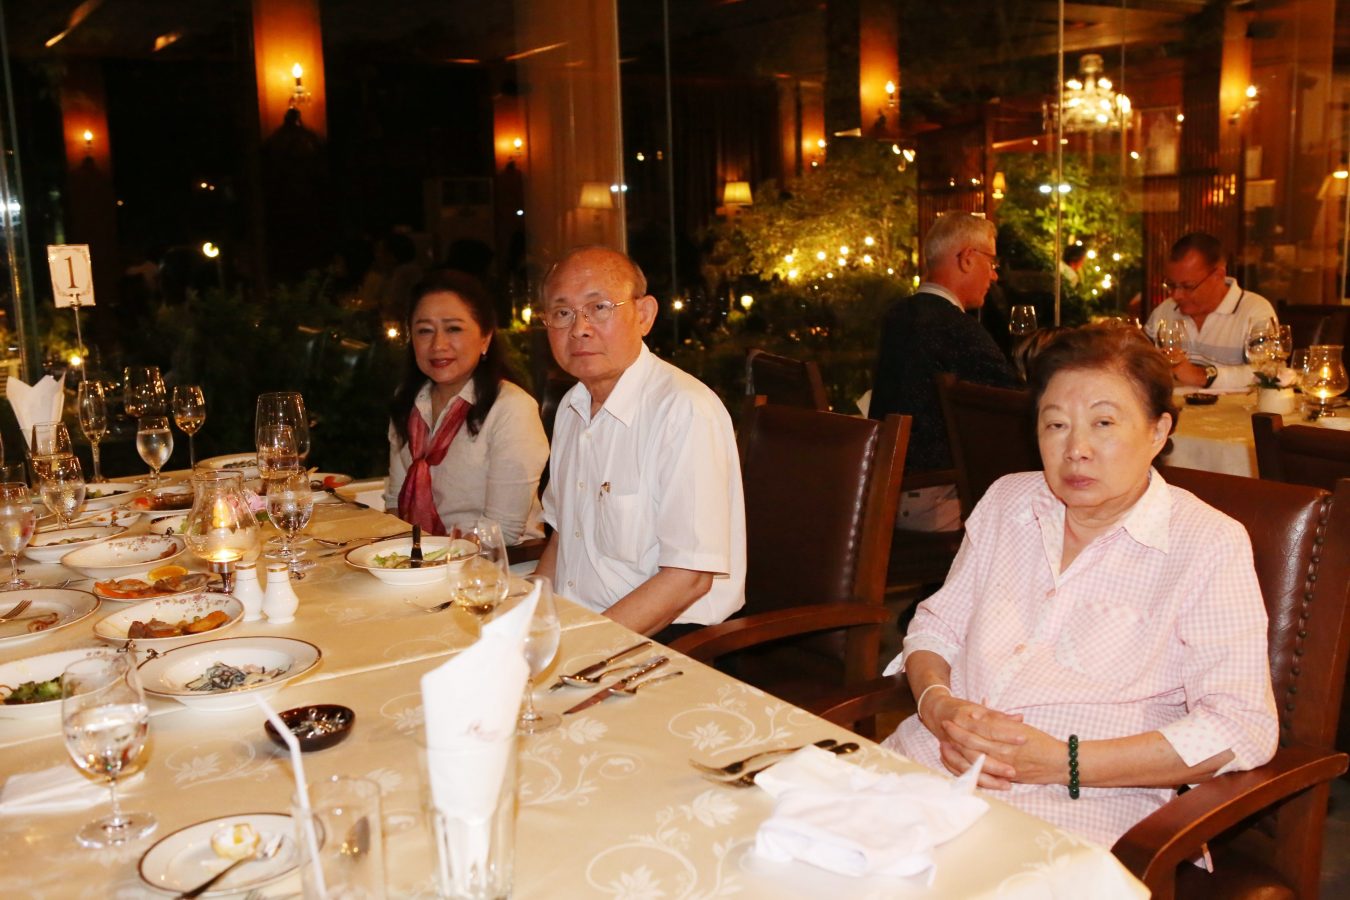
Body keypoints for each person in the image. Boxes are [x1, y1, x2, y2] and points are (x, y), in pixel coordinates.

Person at [881, 325, 1277, 848]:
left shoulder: (1207, 544)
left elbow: (1241, 726)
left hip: (1078, 808)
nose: (1076, 449)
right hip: (927, 765)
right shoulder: (1007, 502)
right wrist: (937, 706)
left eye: (1104, 423)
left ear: (1157, 432)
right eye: (1056, 425)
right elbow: (936, 626)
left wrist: (1063, 762)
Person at [533, 246, 745, 639]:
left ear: (644, 315)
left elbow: (689, 578)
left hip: (671, 638)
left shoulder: (684, 410)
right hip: (582, 624)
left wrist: (584, 647)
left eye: (599, 308)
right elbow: (565, 536)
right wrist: (529, 616)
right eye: (562, 313)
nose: (579, 328)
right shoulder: (572, 406)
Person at [870, 213, 1019, 531]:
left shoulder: (898, 315)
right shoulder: (956, 327)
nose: (994, 275)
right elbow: (1016, 406)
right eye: (991, 262)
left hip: (883, 488)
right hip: (930, 497)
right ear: (967, 258)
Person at [384, 270, 548, 545]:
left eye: (453, 329)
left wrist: (440, 559)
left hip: (497, 562)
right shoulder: (408, 400)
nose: (438, 345)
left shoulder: (511, 408)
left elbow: (502, 530)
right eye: (424, 331)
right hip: (424, 558)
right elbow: (395, 504)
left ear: (485, 338)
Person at [1144, 232, 1276, 390]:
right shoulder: (1165, 310)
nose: (1176, 295)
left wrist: (1202, 376)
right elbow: (1139, 364)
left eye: (1188, 286)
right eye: (1171, 285)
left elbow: (1270, 372)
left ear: (1218, 275)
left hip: (1232, 406)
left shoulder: (1254, 311)